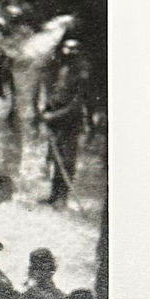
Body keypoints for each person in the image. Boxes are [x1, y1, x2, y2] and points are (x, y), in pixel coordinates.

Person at [38, 29, 92, 206]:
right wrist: (46, 110)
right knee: (55, 155)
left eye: (73, 48)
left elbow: (76, 104)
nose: (69, 51)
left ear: (79, 50)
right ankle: (53, 195)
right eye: (66, 47)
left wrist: (53, 116)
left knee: (67, 159)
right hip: (56, 117)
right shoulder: (60, 66)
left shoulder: (82, 72)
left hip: (71, 120)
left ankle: (62, 197)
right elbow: (53, 91)